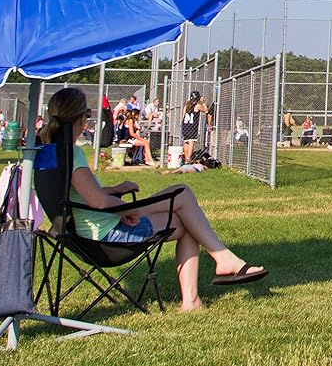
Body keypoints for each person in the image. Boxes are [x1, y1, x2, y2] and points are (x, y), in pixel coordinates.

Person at [38, 88, 266, 312]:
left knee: (182, 205)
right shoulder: (70, 152)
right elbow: (97, 201)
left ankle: (206, 284)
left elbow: (79, 193)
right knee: (183, 201)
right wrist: (126, 210)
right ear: (79, 118)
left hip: (83, 235)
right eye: (87, 114)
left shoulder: (47, 152)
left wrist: (116, 189)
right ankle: (216, 269)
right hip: (106, 237)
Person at [181, 91, 207, 161]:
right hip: (192, 127)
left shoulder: (186, 105)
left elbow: (182, 116)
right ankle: (188, 158)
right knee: (191, 142)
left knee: (186, 142)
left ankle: (186, 157)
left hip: (185, 126)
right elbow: (206, 110)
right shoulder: (197, 106)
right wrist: (203, 102)